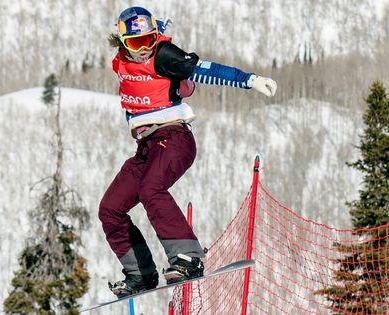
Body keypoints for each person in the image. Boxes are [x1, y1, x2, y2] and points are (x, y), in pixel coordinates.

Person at [99, 6, 277, 298]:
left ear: (156, 36)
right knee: (111, 208)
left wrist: (250, 80)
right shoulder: (121, 63)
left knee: (150, 189)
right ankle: (140, 273)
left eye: (149, 39)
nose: (144, 49)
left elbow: (206, 70)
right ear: (121, 42)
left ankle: (188, 257)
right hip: (147, 147)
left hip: (174, 138)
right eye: (135, 43)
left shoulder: (164, 55)